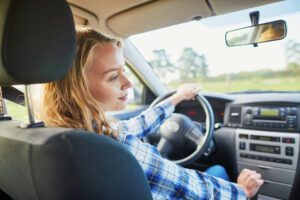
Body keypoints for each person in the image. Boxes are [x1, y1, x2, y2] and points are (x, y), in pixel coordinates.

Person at [41, 26, 263, 199]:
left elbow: (137, 124)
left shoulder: (58, 133)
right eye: (113, 76)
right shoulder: (115, 147)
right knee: (217, 171)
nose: (128, 84)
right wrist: (242, 191)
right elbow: (191, 186)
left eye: (124, 72)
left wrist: (176, 98)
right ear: (77, 88)